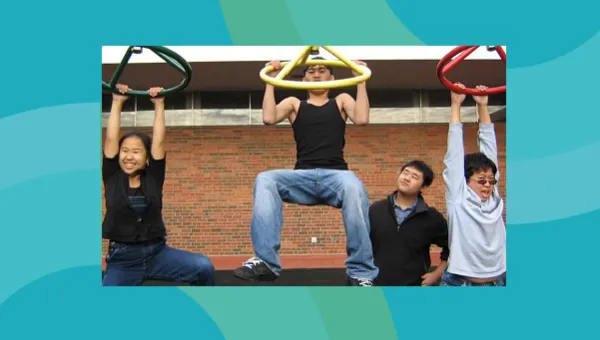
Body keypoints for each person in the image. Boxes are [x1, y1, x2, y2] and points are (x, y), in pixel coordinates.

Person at [233, 57, 379, 286]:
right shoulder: (294, 103)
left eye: (323, 70)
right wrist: (271, 78)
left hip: (336, 177)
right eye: (311, 71)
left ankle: (360, 272)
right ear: (303, 79)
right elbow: (268, 118)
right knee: (265, 179)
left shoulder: (341, 100)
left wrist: (360, 77)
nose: (317, 74)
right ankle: (265, 261)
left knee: (353, 184)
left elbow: (361, 118)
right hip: (302, 178)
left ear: (332, 78)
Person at [102, 84, 215, 286]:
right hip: (123, 260)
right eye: (125, 151)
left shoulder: (153, 177)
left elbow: (159, 141)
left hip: (157, 253)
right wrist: (117, 102)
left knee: (204, 267)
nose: (129, 156)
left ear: (147, 159)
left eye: (136, 152)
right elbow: (111, 137)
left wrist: (159, 104)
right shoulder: (112, 175)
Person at [441, 83, 506, 286]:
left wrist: (482, 106)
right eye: (481, 181)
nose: (487, 185)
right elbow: (454, 155)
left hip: (500, 281)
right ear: (466, 181)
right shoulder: (458, 198)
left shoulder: (494, 199)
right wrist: (455, 105)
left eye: (491, 181)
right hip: (461, 283)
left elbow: (489, 148)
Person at [369, 160, 449, 286]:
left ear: (423, 187)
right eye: (405, 173)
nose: (407, 178)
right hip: (375, 287)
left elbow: (453, 247)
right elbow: (360, 244)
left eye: (415, 177)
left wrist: (437, 274)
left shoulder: (431, 217)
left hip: (413, 288)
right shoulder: (376, 210)